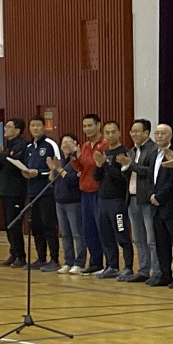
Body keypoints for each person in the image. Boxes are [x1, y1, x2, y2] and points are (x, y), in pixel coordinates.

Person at [91, 121, 136, 279]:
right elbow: (97, 177)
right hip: (103, 200)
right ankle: (112, 265)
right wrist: (99, 166)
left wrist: (106, 165)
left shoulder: (123, 153)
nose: (110, 135)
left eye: (113, 132)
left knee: (122, 234)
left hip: (117, 201)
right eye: (107, 132)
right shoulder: (104, 152)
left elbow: (122, 178)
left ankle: (128, 267)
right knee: (106, 235)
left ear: (119, 133)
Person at [148, 124, 173, 288]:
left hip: (170, 205)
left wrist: (160, 197)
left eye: (163, 133)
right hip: (155, 206)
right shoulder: (153, 155)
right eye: (157, 133)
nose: (159, 136)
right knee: (161, 243)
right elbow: (150, 178)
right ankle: (165, 274)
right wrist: (151, 195)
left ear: (170, 136)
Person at [0, 119, 31, 267]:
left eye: (9, 127)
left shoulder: (22, 145)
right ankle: (13, 253)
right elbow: (0, 165)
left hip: (16, 190)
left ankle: (20, 256)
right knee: (8, 224)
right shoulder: (9, 145)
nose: (6, 129)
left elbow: (13, 165)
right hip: (5, 189)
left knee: (14, 224)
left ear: (17, 130)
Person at [23, 117, 61, 271]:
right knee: (36, 226)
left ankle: (54, 259)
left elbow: (57, 167)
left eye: (38, 125)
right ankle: (41, 257)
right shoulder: (29, 147)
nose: (35, 128)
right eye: (32, 125)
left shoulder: (51, 144)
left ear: (44, 127)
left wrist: (38, 173)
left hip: (47, 192)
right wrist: (25, 172)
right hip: (32, 192)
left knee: (48, 225)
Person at [125, 119, 159, 282]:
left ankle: (157, 271)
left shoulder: (153, 150)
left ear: (146, 132)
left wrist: (130, 165)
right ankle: (143, 270)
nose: (134, 134)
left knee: (151, 239)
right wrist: (125, 167)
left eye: (137, 131)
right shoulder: (132, 151)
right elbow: (128, 173)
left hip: (146, 199)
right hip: (132, 198)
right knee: (138, 238)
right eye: (132, 131)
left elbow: (150, 172)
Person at [74, 114, 109, 274]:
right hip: (85, 191)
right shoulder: (85, 146)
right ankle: (95, 262)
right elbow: (81, 168)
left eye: (90, 125)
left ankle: (110, 263)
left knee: (102, 229)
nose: (87, 129)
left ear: (98, 125)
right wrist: (75, 158)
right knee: (89, 230)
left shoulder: (105, 144)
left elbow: (98, 166)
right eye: (84, 126)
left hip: (99, 191)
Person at [50, 133, 86, 274]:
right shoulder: (60, 161)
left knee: (77, 234)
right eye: (63, 142)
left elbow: (74, 180)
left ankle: (80, 262)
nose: (65, 145)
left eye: (69, 142)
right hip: (59, 201)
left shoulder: (76, 161)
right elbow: (52, 181)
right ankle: (68, 261)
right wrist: (53, 170)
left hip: (73, 201)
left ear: (76, 144)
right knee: (65, 234)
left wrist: (60, 169)